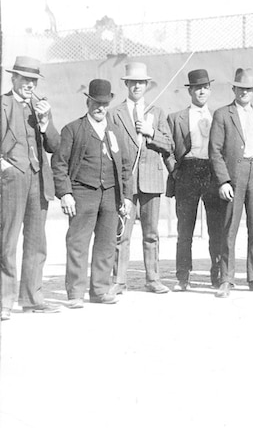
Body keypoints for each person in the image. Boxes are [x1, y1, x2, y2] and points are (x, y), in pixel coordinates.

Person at [52, 79, 133, 308]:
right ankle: (75, 294)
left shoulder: (114, 131)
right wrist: (65, 193)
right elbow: (59, 164)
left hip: (110, 194)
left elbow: (126, 167)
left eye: (105, 103)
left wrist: (127, 196)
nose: (101, 108)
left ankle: (99, 290)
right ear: (88, 101)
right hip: (82, 193)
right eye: (97, 103)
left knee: (107, 244)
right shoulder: (73, 130)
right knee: (78, 243)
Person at [209, 68, 253, 298]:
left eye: (249, 89)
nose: (245, 93)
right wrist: (224, 181)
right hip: (234, 174)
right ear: (234, 89)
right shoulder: (222, 114)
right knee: (229, 227)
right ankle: (226, 279)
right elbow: (215, 151)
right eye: (241, 89)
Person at [1, 56, 61, 320]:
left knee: (37, 242)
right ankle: (4, 301)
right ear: (13, 78)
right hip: (12, 179)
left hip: (38, 179)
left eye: (33, 80)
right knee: (7, 242)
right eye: (24, 79)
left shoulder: (41, 106)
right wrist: (6, 169)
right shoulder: (2, 104)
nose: (29, 84)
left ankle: (31, 297)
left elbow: (55, 146)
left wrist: (46, 121)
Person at [108, 62, 173, 294]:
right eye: (133, 82)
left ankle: (153, 279)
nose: (137, 86)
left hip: (151, 182)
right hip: (125, 183)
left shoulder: (157, 112)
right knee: (122, 233)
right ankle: (119, 280)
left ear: (147, 85)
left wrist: (151, 132)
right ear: (126, 84)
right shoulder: (114, 113)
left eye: (141, 82)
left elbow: (169, 145)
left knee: (151, 234)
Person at [165, 69, 225, 291]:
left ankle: (217, 274)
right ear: (189, 90)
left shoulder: (218, 116)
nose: (201, 91)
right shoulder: (176, 118)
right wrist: (175, 171)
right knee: (185, 228)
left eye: (205, 87)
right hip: (187, 171)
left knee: (216, 228)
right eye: (197, 87)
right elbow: (168, 148)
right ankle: (183, 275)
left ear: (209, 90)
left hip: (211, 171)